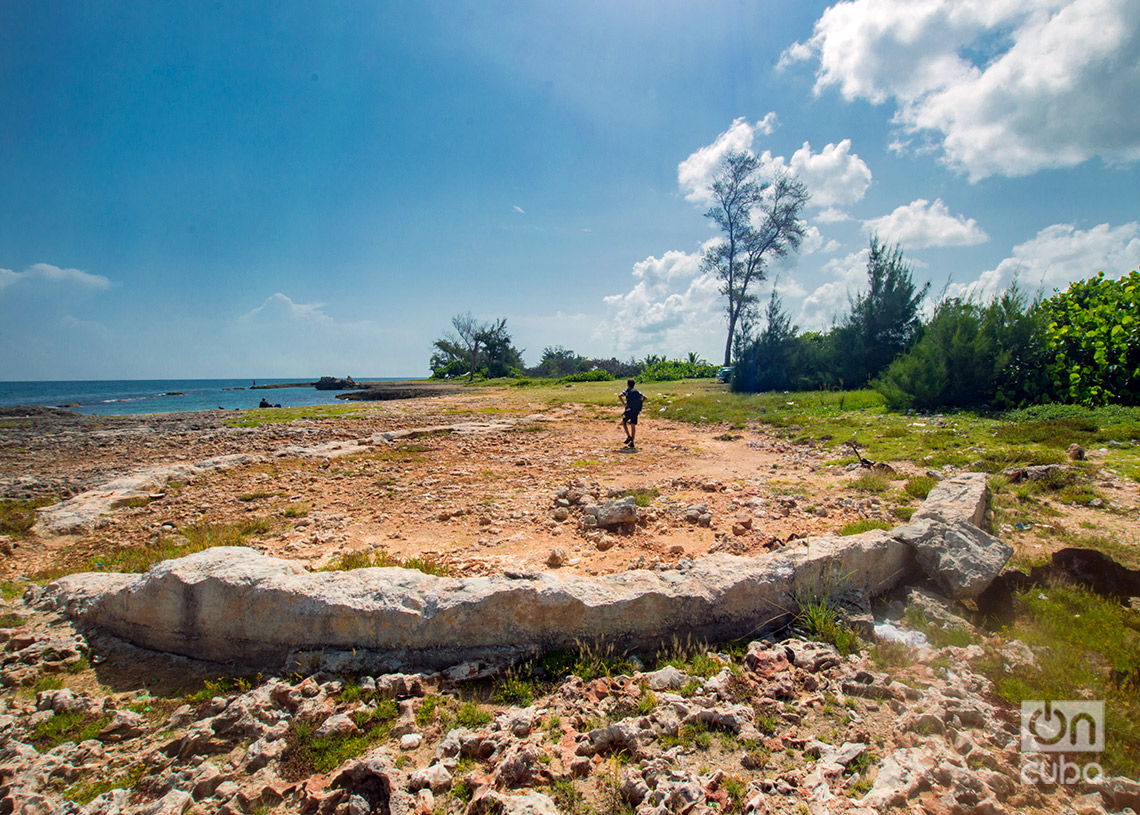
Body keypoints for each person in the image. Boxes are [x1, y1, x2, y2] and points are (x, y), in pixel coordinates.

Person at [618, 379, 645, 448]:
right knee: (633, 424)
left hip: (629, 409)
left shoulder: (627, 391)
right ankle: (632, 442)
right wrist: (640, 403)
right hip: (636, 410)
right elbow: (645, 398)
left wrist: (624, 403)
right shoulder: (637, 391)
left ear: (628, 384)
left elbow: (620, 396)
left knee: (624, 422)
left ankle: (628, 436)